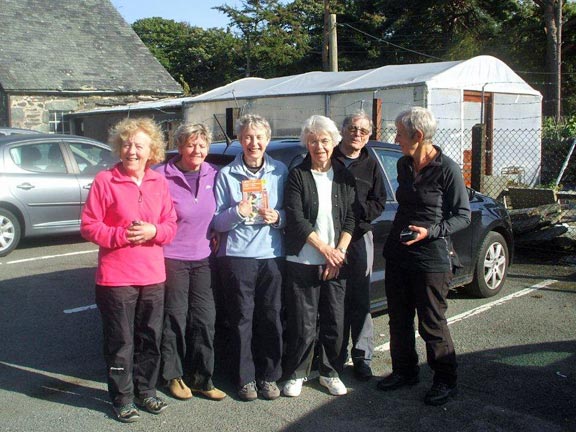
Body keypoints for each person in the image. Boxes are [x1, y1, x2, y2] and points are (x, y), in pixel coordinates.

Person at [80, 117, 177, 422]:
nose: (131, 150)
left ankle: (146, 392)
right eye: (126, 144)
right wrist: (121, 235)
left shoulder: (159, 182)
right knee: (121, 342)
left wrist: (153, 232)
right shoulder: (104, 181)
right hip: (116, 278)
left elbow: (170, 226)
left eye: (139, 145)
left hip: (153, 275)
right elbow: (89, 226)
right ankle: (122, 398)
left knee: (151, 338)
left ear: (152, 151)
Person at [377, 107, 471, 406]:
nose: (396, 138)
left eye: (399, 133)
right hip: (399, 254)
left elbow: (463, 216)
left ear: (417, 136)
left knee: (431, 322)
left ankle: (445, 380)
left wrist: (430, 231)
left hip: (431, 258)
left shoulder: (447, 168)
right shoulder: (404, 164)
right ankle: (405, 371)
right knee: (398, 319)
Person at [212, 114, 288, 401]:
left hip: (272, 255)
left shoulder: (280, 171)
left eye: (259, 137)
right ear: (240, 141)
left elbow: (293, 213)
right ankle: (245, 379)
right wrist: (237, 213)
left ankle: (269, 377)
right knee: (242, 319)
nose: (253, 143)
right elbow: (216, 222)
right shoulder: (226, 175)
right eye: (247, 137)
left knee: (271, 318)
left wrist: (279, 216)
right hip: (238, 256)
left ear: (267, 140)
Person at [282, 115, 356, 397]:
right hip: (303, 260)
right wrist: (325, 251)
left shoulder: (344, 176)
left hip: (335, 260)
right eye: (313, 141)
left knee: (334, 321)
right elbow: (297, 220)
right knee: (303, 321)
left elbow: (351, 218)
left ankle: (330, 372)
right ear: (307, 144)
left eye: (324, 140)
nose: (319, 146)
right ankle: (297, 373)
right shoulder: (298, 174)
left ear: (334, 142)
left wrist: (338, 254)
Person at [153, 123, 227, 402]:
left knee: (204, 320)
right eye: (191, 144)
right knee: (175, 319)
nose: (197, 150)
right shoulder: (162, 176)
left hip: (204, 258)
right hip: (171, 258)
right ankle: (172, 376)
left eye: (202, 145)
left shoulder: (214, 174)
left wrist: (218, 232)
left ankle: (202, 379)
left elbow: (219, 211)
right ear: (181, 146)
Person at [332, 111, 387, 381]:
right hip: (330, 239)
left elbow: (380, 201)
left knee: (360, 297)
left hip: (359, 237)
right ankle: (335, 355)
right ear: (342, 130)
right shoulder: (327, 158)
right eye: (353, 128)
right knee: (335, 296)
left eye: (364, 131)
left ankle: (362, 356)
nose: (358, 134)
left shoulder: (371, 163)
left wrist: (359, 216)